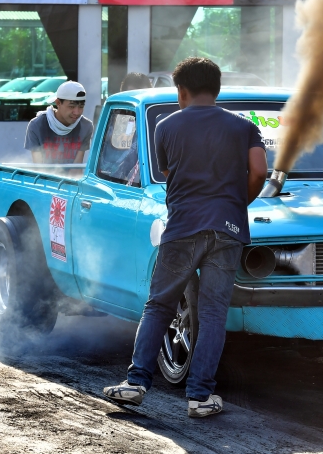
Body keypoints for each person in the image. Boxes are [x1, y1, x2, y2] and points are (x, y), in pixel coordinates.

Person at [103, 57, 268, 417]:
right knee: (212, 314)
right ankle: (200, 397)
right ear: (217, 89)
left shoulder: (166, 126)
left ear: (181, 91)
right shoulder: (244, 128)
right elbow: (259, 171)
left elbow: (165, 171)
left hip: (181, 228)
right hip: (228, 230)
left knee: (159, 304)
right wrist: (237, 201)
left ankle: (135, 383)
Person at [24, 80, 94, 164]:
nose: (77, 112)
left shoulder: (86, 126)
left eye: (81, 107)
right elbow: (39, 167)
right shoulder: (37, 125)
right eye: (71, 106)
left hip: (71, 177)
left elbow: (76, 168)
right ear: (58, 103)